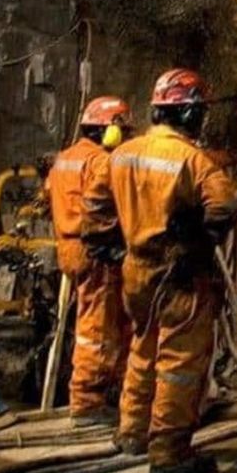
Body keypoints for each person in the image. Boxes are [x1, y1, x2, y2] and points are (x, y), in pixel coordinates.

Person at [83, 68, 237, 473]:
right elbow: (226, 205)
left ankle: (133, 432)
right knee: (180, 362)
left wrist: (112, 246)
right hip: (179, 274)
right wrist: (198, 241)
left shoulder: (122, 154)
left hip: (136, 271)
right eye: (200, 112)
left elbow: (95, 207)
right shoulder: (193, 160)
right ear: (189, 114)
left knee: (143, 348)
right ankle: (170, 453)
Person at [44, 96, 134, 427]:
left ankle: (113, 390)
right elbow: (110, 205)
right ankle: (86, 402)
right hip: (95, 251)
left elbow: (47, 194)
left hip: (68, 247)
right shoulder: (100, 162)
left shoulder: (64, 158)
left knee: (107, 320)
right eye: (123, 130)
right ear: (110, 129)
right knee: (96, 326)